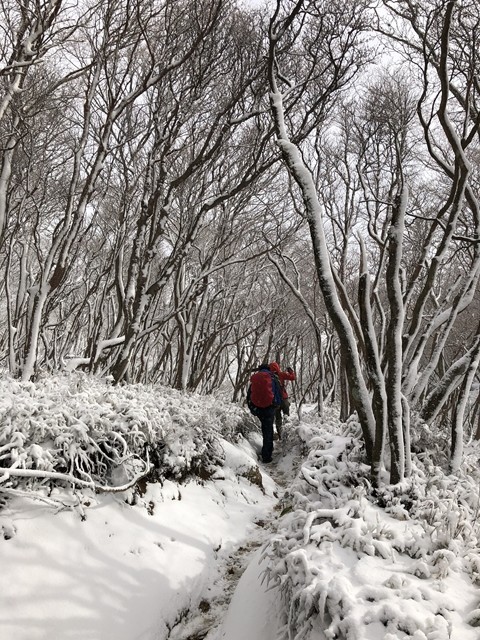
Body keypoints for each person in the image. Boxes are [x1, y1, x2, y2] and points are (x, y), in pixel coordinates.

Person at [248, 363, 282, 463]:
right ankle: (266, 455)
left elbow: (249, 395)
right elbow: (277, 392)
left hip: (258, 408)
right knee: (268, 430)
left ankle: (267, 449)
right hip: (269, 408)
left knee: (265, 428)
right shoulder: (272, 377)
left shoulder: (255, 378)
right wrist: (277, 405)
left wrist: (253, 409)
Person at [268, 362, 296, 439]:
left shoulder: (268, 376)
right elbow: (293, 377)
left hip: (275, 401)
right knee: (287, 416)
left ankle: (280, 436)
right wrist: (291, 371)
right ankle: (288, 435)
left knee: (278, 419)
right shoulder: (281, 374)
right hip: (284, 399)